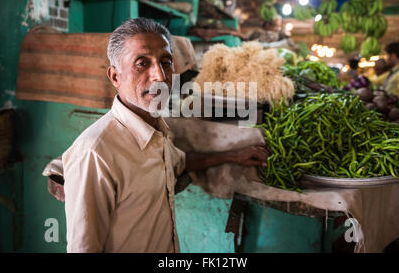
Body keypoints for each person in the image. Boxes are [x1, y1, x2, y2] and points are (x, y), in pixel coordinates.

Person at [62, 18, 268, 253]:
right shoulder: (96, 153)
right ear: (115, 77)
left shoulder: (156, 131)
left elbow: (178, 162)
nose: (159, 76)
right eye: (142, 63)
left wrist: (234, 155)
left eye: (166, 62)